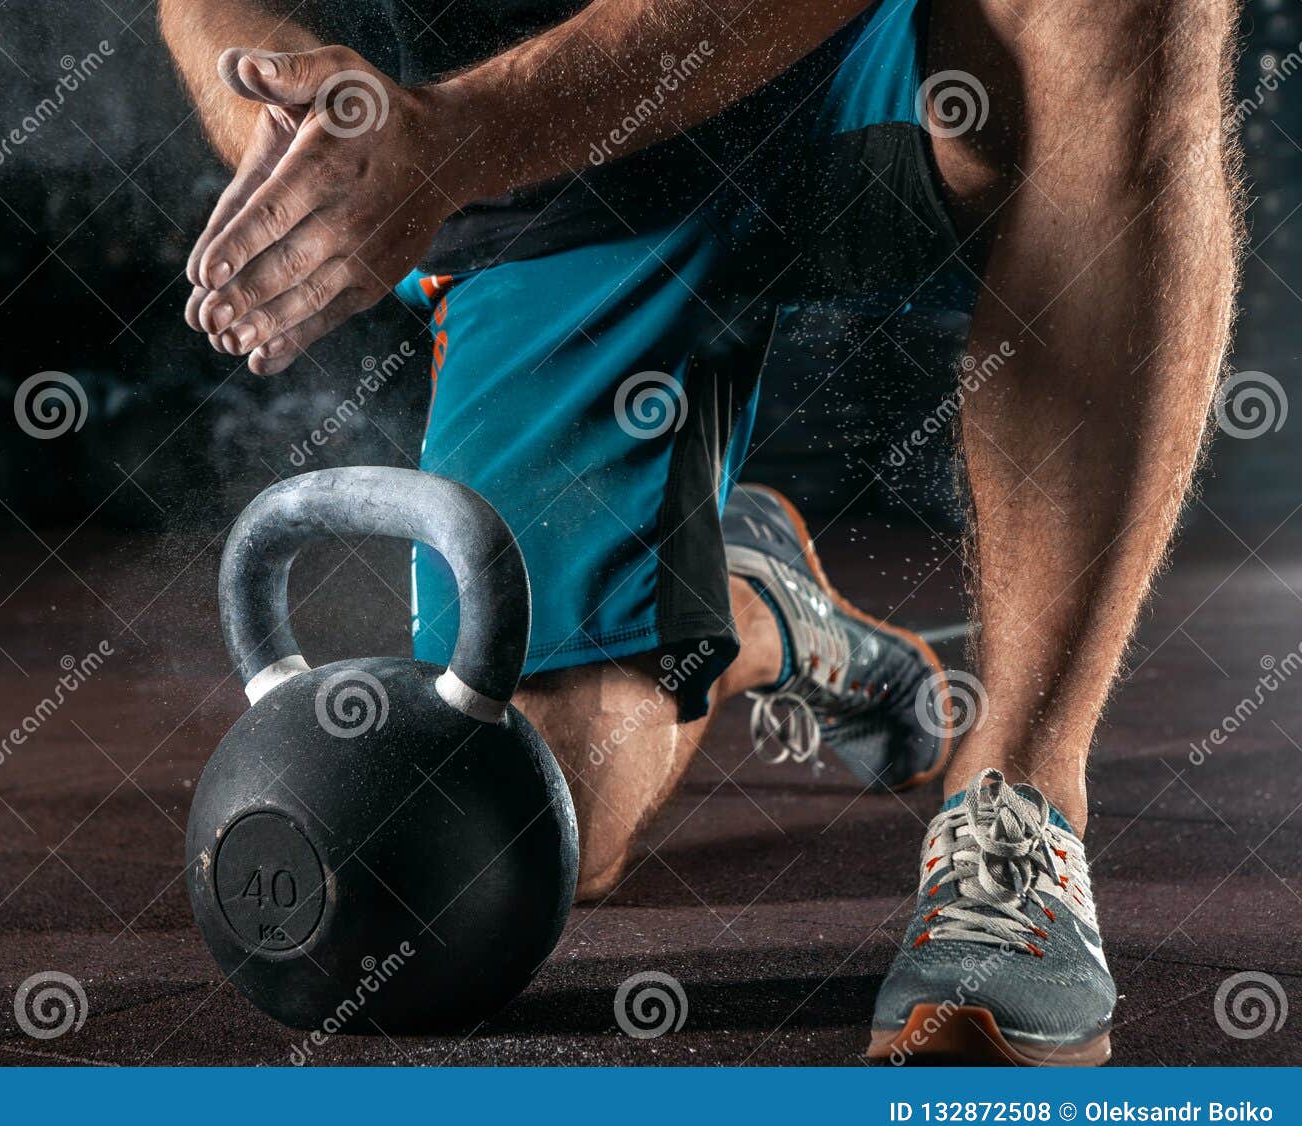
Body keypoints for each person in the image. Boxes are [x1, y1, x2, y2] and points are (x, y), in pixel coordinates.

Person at [160, 0, 1239, 1065]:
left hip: (861, 64)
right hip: (550, 197)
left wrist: (461, 132)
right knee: (516, 828)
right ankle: (750, 606)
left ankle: (1021, 795)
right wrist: (311, 121)